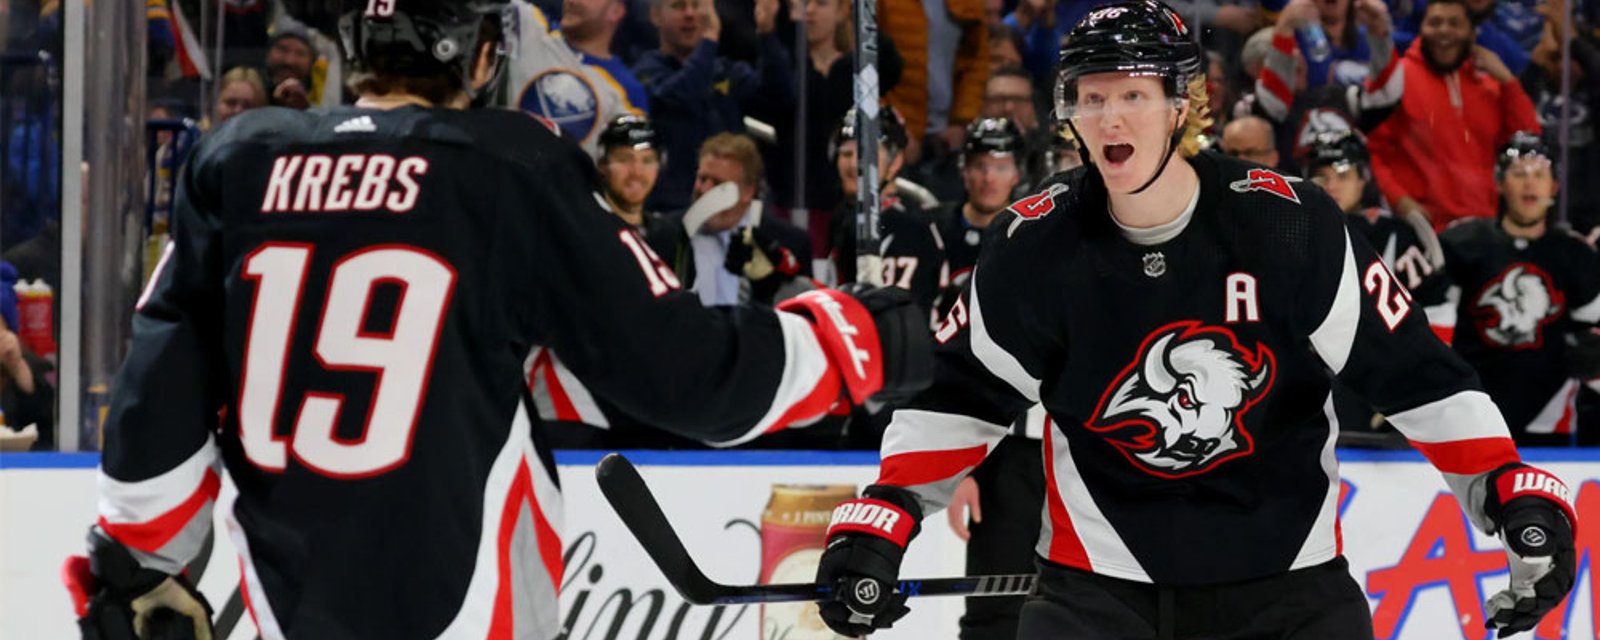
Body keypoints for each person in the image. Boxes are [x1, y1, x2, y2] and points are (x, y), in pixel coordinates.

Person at [59, 2, 931, 639]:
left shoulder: (240, 158)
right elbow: (685, 375)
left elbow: (163, 384)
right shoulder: (506, 167)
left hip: (290, 608)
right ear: (481, 55)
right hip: (467, 611)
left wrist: (139, 563)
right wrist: (851, 338)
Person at [812, 3, 1577, 639]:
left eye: (1133, 95)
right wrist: (884, 512)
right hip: (1096, 597)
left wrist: (1508, 488)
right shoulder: (1032, 245)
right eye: (1092, 95)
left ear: (1185, 105)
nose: (1109, 115)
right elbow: (963, 394)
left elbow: (1415, 374)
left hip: (1290, 593)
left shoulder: (1290, 226)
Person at [1437, 133, 1600, 446]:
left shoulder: (1575, 255)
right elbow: (1436, 332)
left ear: (1554, 187)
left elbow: (1591, 337)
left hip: (1549, 422)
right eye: (1518, 173)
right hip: (1472, 418)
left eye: (1539, 175)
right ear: (1500, 184)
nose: (1530, 183)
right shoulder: (1463, 244)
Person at [1368, 0, 1539, 231]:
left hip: (1485, 227)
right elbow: (1372, 150)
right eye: (1435, 23)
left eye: (1455, 23)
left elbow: (1527, 142)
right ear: (1421, 28)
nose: (1444, 30)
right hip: (1423, 230)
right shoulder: (1397, 79)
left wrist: (1508, 81)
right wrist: (1400, 200)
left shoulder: (1489, 84)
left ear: (1471, 32)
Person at [500, 0, 651, 156]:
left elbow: (629, 166)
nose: (571, 1)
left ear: (615, 11)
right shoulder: (529, 27)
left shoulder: (628, 92)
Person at [930, 116, 1025, 318]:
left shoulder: (1030, 234)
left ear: (1017, 174)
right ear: (964, 171)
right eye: (980, 166)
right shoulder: (934, 228)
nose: (989, 178)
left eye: (1001, 167)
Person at [595, 114, 673, 239]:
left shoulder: (669, 236)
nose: (637, 172)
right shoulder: (585, 233)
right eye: (624, 159)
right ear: (602, 165)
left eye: (647, 160)